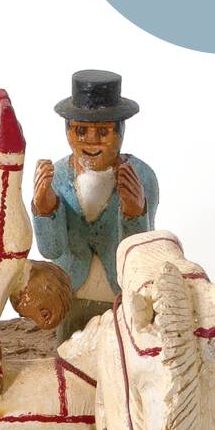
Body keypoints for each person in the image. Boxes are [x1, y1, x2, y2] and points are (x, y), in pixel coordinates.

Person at [31, 70, 159, 341]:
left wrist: (135, 211)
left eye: (103, 132)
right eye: (81, 130)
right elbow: (51, 249)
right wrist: (44, 208)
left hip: (123, 298)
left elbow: (142, 253)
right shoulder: (58, 176)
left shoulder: (141, 176)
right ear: (68, 131)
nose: (91, 140)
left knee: (122, 357)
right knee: (69, 357)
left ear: (120, 133)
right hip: (73, 296)